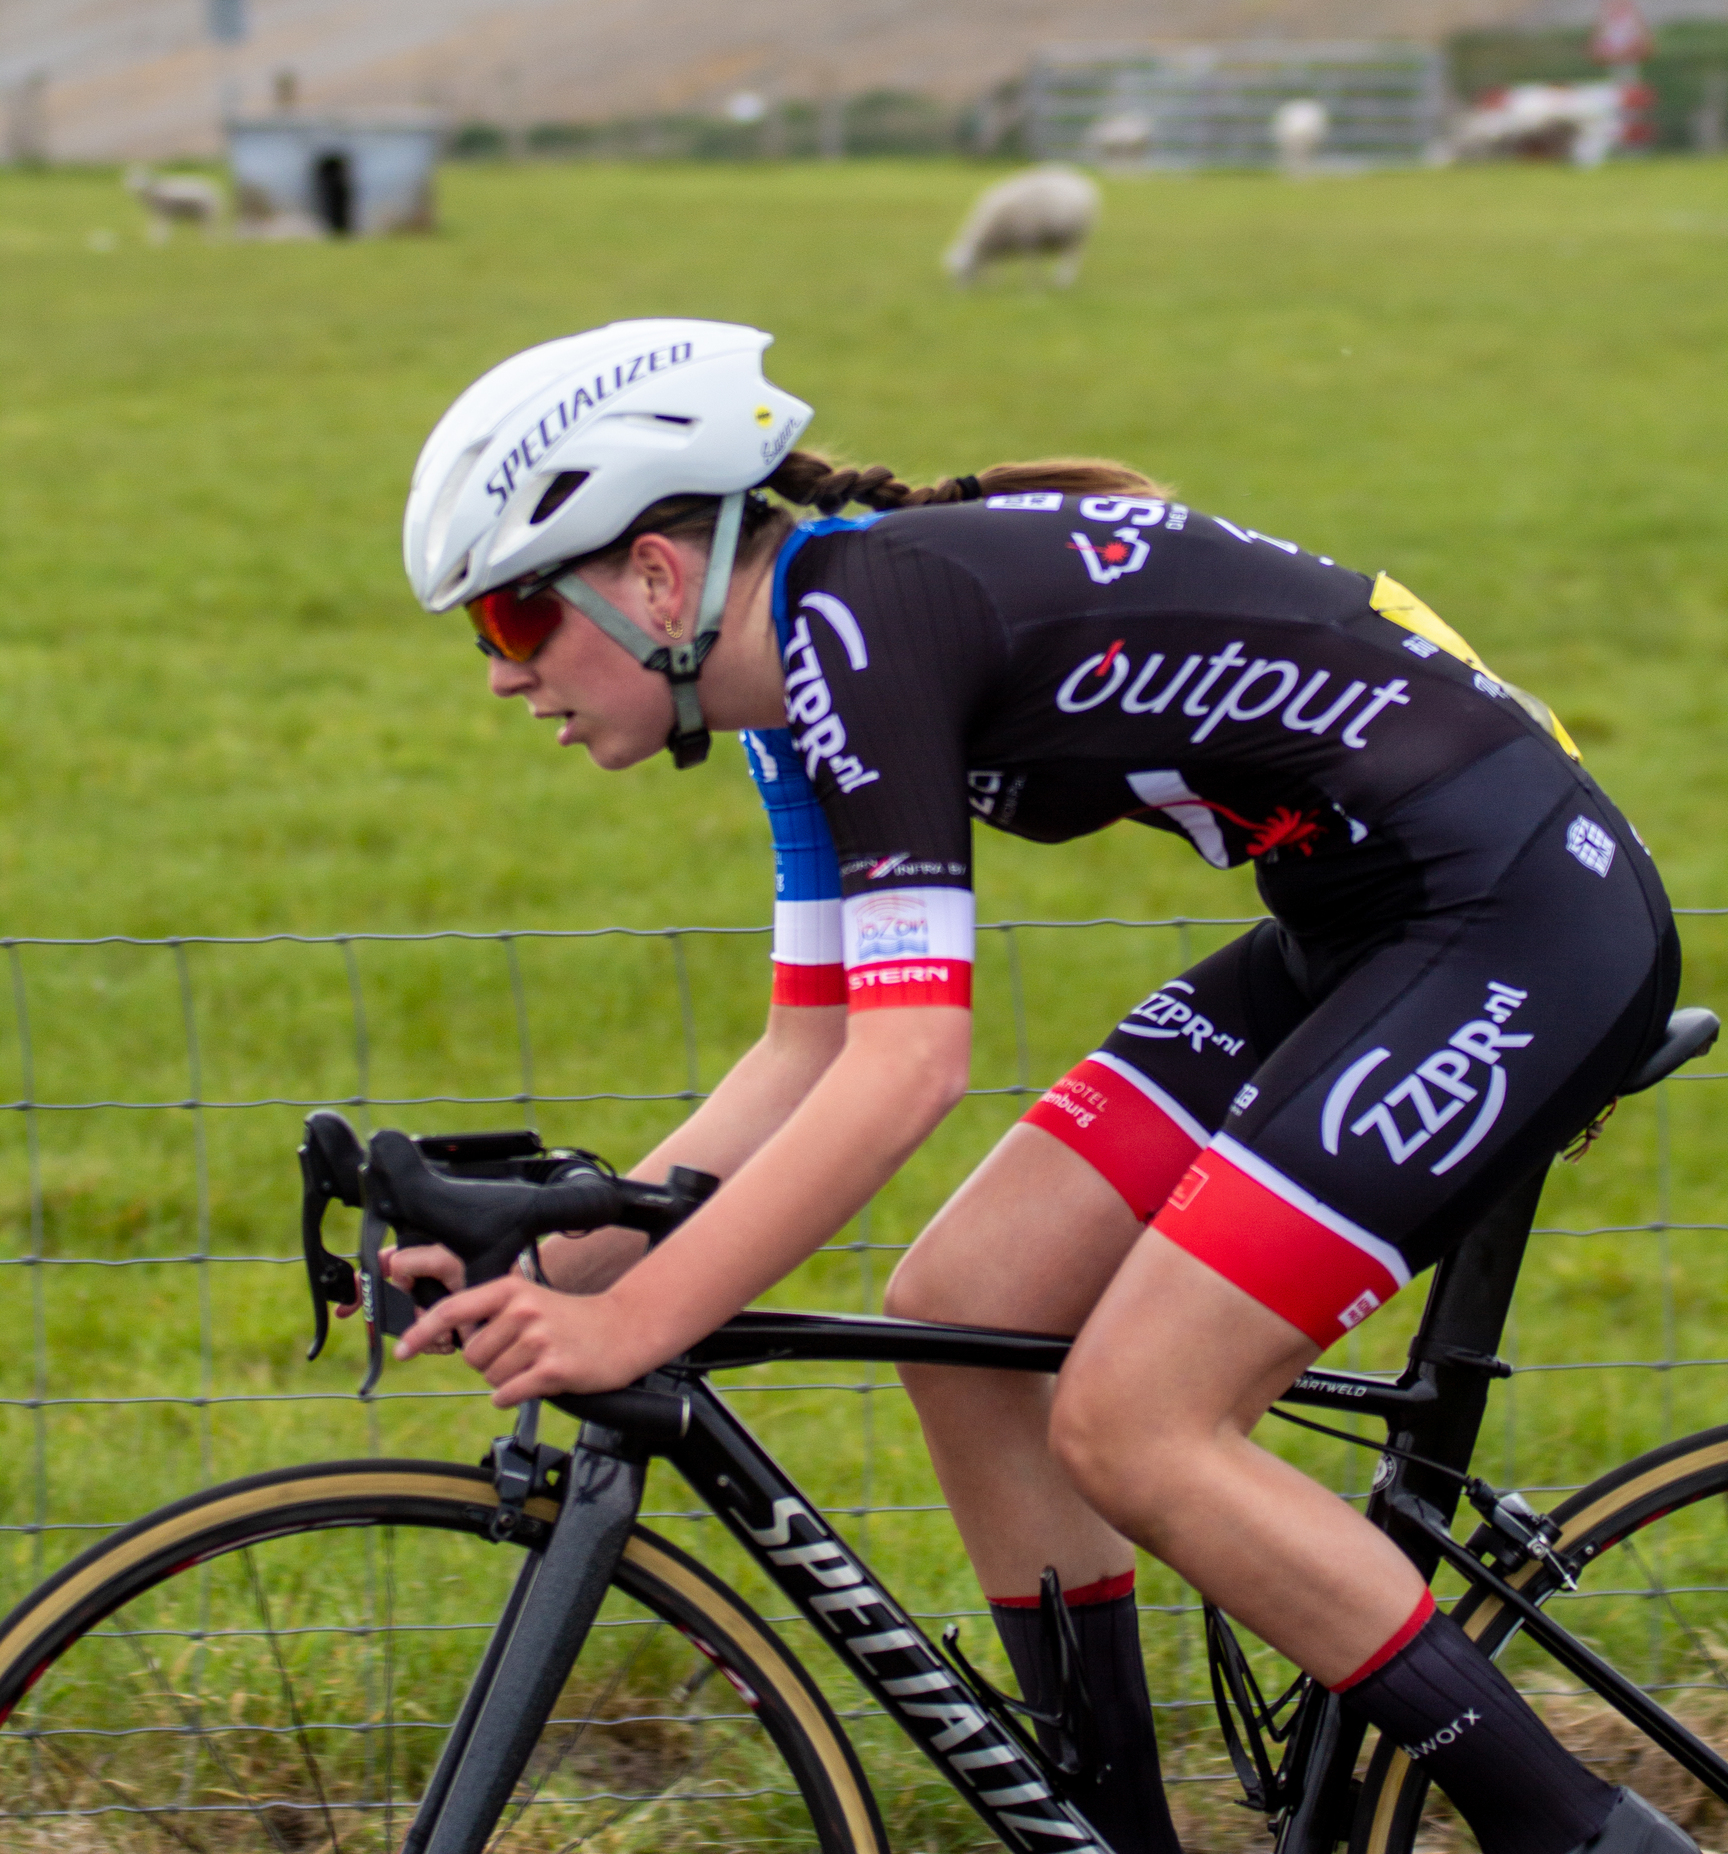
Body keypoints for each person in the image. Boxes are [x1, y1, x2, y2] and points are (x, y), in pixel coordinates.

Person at [391, 317, 1688, 1854]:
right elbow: (802, 1052)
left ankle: (1582, 1835)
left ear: (656, 579)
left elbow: (908, 1069)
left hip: (1524, 921)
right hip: (1365, 926)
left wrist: (636, 1322)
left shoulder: (866, 632)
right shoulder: (795, 692)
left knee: (1137, 1422)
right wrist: (547, 1259)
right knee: (969, 1307)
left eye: (511, 624)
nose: (498, 676)